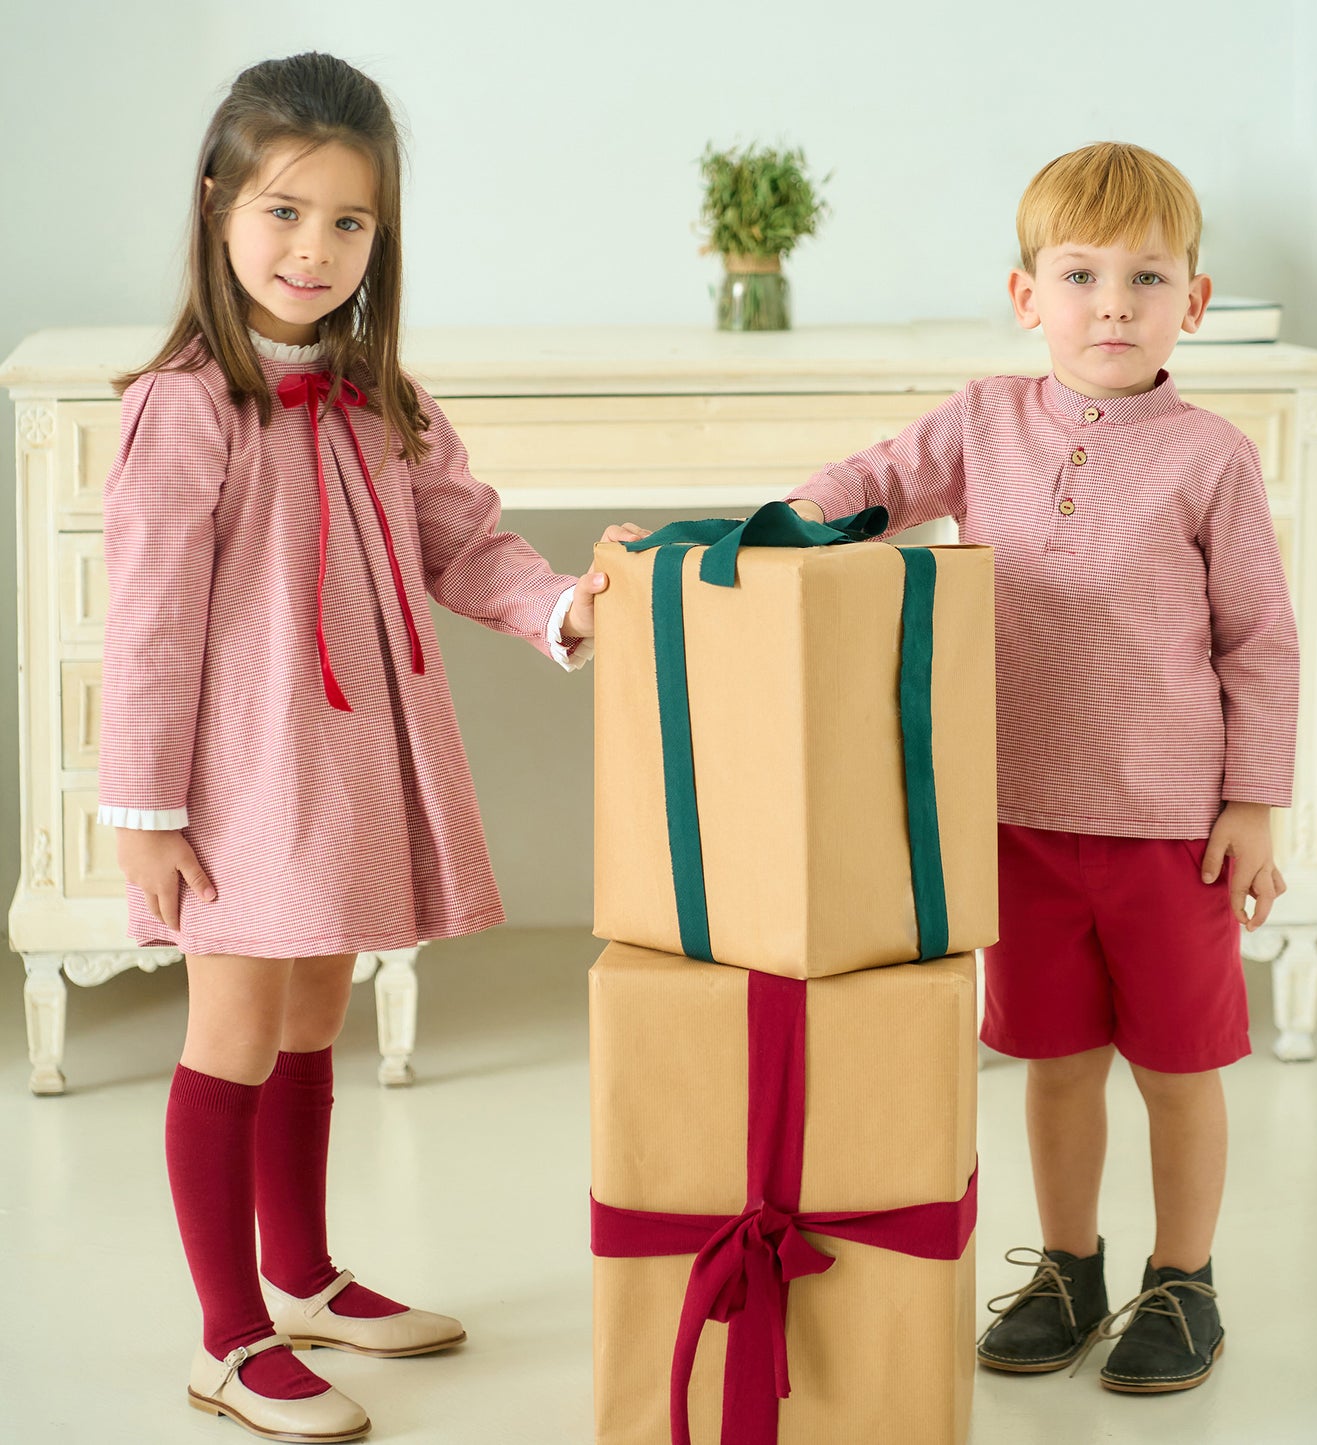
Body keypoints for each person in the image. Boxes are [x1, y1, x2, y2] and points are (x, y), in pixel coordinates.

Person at [100, 52, 640, 1443]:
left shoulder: (375, 394)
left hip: (345, 769)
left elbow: (469, 540)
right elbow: (151, 627)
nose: (313, 248)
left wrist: (569, 606)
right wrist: (144, 810)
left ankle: (306, 1271)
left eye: (349, 223)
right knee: (230, 1031)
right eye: (285, 212)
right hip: (240, 779)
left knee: (310, 1019)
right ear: (218, 202)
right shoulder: (184, 407)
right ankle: (229, 1336)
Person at [786, 141, 1298, 1394]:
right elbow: (872, 485)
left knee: (1178, 1068)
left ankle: (1184, 1279)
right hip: (1012, 823)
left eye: (1144, 277)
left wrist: (1251, 804)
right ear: (1027, 297)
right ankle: (1068, 1263)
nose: (1111, 303)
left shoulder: (1208, 457)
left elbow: (1261, 644)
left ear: (1194, 299)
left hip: (1166, 829)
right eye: (1079, 274)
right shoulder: (980, 422)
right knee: (1055, 1062)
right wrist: (785, 525)